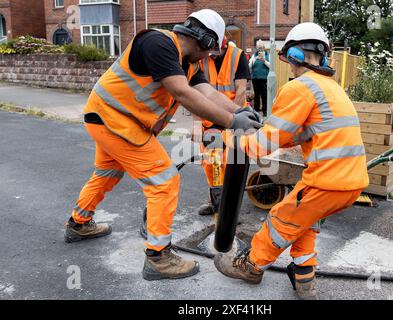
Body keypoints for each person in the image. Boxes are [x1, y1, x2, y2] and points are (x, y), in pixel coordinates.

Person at [64, 9, 262, 282]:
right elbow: (182, 92)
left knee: (108, 173)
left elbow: (206, 93)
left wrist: (241, 114)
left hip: (111, 120)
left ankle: (79, 223)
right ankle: (159, 257)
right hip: (115, 119)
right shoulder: (158, 43)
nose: (209, 57)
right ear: (204, 40)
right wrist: (231, 122)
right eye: (210, 50)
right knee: (164, 181)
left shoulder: (188, 63)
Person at [213, 22, 369, 299]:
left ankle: (251, 266)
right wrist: (269, 132)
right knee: (304, 222)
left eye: (289, 58)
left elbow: (263, 147)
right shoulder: (331, 88)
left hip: (327, 182)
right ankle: (305, 278)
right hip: (351, 183)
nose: (291, 66)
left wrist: (232, 139)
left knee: (281, 219)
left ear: (296, 54)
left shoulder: (300, 87)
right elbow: (301, 134)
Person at [196, 36, 252, 216]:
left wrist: (230, 121)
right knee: (211, 163)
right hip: (209, 119)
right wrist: (197, 125)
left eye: (215, 52)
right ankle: (215, 201)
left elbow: (241, 91)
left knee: (232, 163)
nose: (211, 56)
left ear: (223, 45)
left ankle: (230, 208)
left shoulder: (238, 56)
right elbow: (194, 93)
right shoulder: (201, 57)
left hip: (234, 118)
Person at [248, 39, 270, 116]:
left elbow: (271, 66)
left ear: (264, 47)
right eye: (258, 48)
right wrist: (254, 59)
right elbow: (249, 66)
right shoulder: (254, 55)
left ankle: (265, 111)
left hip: (264, 78)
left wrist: (264, 61)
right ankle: (256, 110)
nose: (260, 49)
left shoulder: (268, 55)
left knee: (264, 95)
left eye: (261, 47)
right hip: (255, 78)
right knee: (256, 95)